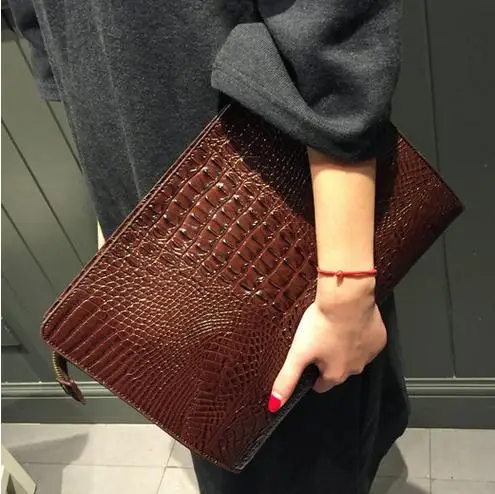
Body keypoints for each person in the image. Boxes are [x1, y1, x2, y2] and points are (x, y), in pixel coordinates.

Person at [8, 0, 409, 492]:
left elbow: (331, 28)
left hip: (277, 217)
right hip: (168, 208)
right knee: (241, 449)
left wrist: (346, 289)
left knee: (305, 451)